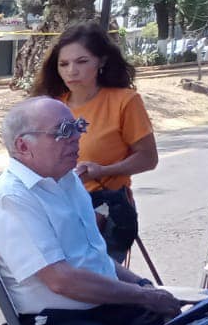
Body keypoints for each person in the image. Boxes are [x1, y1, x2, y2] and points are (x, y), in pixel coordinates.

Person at [0, 97, 179, 325]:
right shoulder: (11, 198)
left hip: (96, 306)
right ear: (23, 146)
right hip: (54, 322)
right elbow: (62, 281)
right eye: (62, 132)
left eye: (77, 127)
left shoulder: (67, 179)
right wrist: (143, 296)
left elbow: (94, 258)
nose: (76, 138)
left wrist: (144, 287)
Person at [31, 21, 158, 262]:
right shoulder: (51, 105)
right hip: (56, 209)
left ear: (101, 61)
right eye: (64, 64)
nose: (72, 71)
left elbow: (148, 158)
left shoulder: (125, 101)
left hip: (105, 210)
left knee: (99, 284)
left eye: (82, 62)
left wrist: (104, 170)